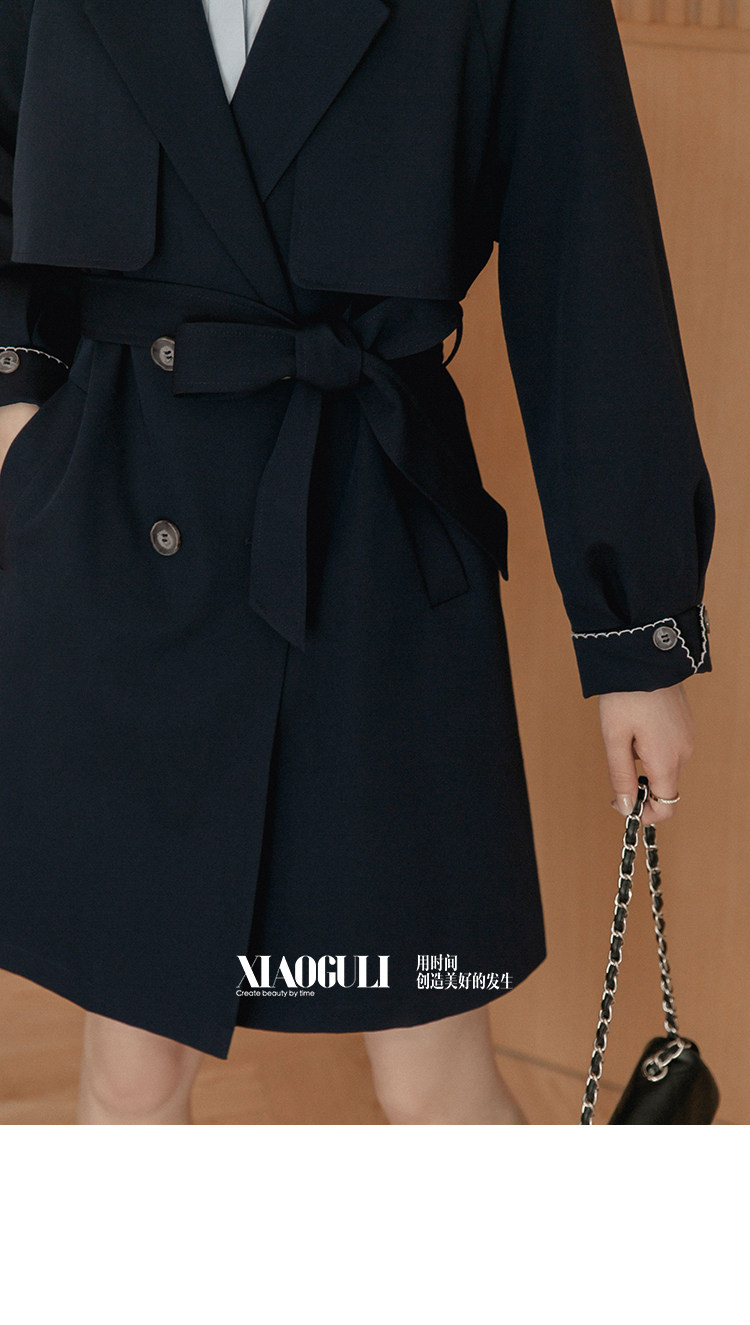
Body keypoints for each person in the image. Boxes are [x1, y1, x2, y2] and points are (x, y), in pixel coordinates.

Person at [0, 0, 713, 1125]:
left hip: (373, 537)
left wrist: (637, 628)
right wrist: (16, 403)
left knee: (432, 1083)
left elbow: (587, 251)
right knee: (130, 1073)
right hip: (119, 522)